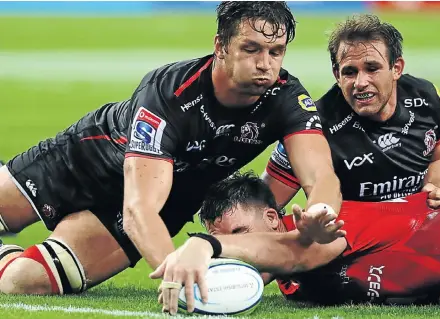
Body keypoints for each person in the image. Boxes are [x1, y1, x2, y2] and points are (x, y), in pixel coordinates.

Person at [0, 2, 342, 307]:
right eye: (251, 49)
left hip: (168, 201)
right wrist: (172, 270)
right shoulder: (170, 93)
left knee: (25, 282)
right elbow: (139, 208)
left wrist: (321, 211)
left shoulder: (287, 98)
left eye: (275, 51)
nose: (265, 64)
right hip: (84, 161)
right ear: (221, 47)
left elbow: (320, 174)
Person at [150, 171, 440, 313]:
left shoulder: (325, 225)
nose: (239, 249)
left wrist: (205, 245)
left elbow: (292, 252)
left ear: (273, 220)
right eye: (222, 239)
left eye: (241, 234)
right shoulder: (295, 287)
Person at [263, 15, 440, 233]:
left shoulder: (426, 98)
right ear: (337, 75)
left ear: (396, 68)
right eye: (350, 72)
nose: (360, 83)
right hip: (357, 237)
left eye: (372, 68)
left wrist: (436, 187)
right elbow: (265, 207)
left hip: (418, 227)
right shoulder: (312, 126)